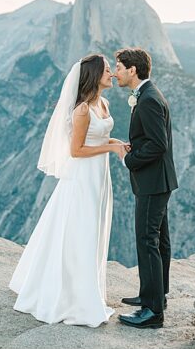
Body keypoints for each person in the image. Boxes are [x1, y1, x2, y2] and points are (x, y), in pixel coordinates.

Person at [10, 54, 127, 327]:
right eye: (107, 70)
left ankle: (86, 291)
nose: (111, 74)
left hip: (99, 176)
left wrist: (115, 142)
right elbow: (76, 150)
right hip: (82, 178)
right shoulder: (83, 110)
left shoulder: (104, 103)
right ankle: (74, 298)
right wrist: (111, 148)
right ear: (94, 75)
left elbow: (95, 137)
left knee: (92, 231)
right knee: (80, 233)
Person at [113, 47, 179, 329]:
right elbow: (152, 140)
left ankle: (153, 313)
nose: (115, 72)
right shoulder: (149, 94)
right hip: (158, 181)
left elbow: (158, 144)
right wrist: (137, 146)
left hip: (152, 182)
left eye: (118, 67)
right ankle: (154, 296)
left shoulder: (149, 99)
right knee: (159, 240)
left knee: (147, 240)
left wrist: (128, 158)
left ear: (132, 70)